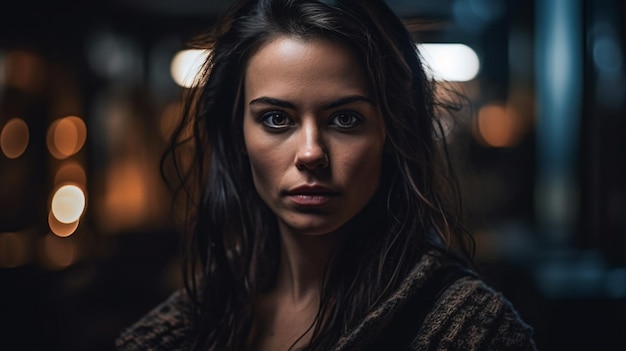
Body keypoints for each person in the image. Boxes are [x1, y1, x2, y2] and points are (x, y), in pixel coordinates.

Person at [116, 0, 537, 350]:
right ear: (237, 133)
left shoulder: (473, 334)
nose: (311, 153)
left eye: (346, 119)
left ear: (391, 134)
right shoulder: (184, 326)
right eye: (277, 118)